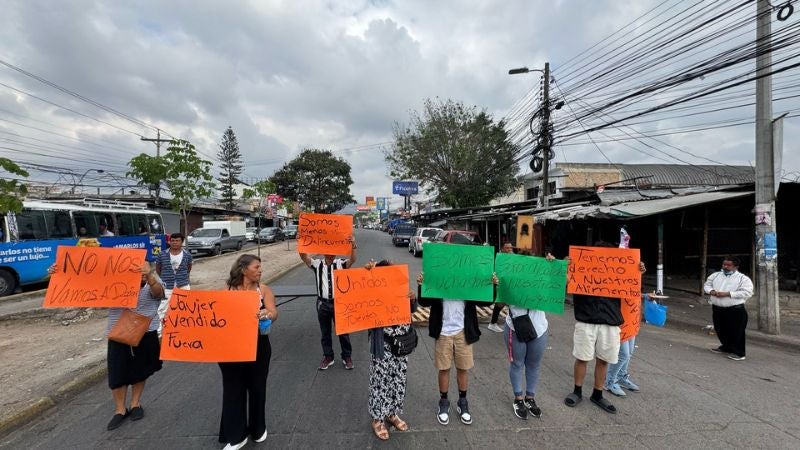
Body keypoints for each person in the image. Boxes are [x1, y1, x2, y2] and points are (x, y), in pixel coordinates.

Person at [48, 262, 166, 431]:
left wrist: (149, 277)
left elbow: (159, 293)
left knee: (141, 369)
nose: (138, 269)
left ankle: (135, 404)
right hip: (118, 332)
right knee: (117, 370)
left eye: (142, 266)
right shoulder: (114, 281)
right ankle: (119, 409)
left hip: (145, 332)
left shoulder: (152, 281)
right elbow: (85, 288)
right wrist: (59, 275)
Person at [564, 257, 646, 415]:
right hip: (586, 320)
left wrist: (638, 272)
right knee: (582, 358)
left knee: (604, 360)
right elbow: (566, 282)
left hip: (610, 322)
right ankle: (577, 391)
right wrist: (564, 267)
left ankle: (597, 394)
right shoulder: (581, 270)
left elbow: (632, 287)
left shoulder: (617, 273)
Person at [218, 254, 278, 450]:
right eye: (256, 267)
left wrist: (267, 314)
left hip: (259, 347)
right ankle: (236, 436)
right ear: (243, 270)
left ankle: (258, 428)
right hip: (231, 348)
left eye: (261, 267)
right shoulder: (226, 291)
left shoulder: (264, 289)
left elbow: (274, 312)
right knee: (233, 389)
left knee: (257, 387)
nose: (260, 270)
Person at [416, 271, 485, 426]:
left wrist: (492, 285)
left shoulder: (468, 279)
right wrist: (422, 285)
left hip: (463, 331)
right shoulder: (438, 276)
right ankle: (444, 401)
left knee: (463, 368)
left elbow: (485, 302)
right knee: (444, 368)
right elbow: (424, 302)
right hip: (443, 331)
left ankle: (462, 402)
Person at [496, 252, 555, 420]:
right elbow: (499, 304)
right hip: (516, 327)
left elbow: (561, 285)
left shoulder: (541, 276)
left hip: (539, 328)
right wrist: (502, 287)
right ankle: (518, 398)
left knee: (533, 364)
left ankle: (530, 398)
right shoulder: (509, 277)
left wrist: (553, 266)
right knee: (517, 364)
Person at [365, 259, 417, 440]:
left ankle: (392, 413)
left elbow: (412, 310)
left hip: (401, 345)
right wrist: (367, 276)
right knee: (380, 382)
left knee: (398, 380)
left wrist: (412, 298)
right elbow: (360, 300)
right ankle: (377, 418)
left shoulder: (400, 288)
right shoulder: (373, 291)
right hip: (383, 345)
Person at [299, 236, 357, 370]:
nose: (331, 255)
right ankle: (328, 356)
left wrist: (353, 245)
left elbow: (353, 259)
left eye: (333, 253)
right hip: (322, 304)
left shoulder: (341, 263)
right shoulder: (317, 264)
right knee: (325, 332)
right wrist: (301, 243)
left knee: (343, 331)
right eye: (328, 253)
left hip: (339, 303)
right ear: (324, 253)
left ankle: (346, 356)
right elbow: (304, 257)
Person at [704, 256, 754, 361]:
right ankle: (726, 347)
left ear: (735, 266)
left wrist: (728, 294)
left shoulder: (743, 279)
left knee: (737, 331)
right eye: (724, 264)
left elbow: (747, 292)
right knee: (720, 329)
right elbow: (707, 285)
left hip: (735, 309)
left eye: (728, 265)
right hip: (718, 307)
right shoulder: (716, 275)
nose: (725, 267)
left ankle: (739, 352)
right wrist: (712, 291)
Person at [155, 233, 193, 336]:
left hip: (183, 285)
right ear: (169, 241)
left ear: (182, 242)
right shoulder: (162, 254)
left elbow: (188, 268)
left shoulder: (187, 255)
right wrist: (166, 278)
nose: (175, 243)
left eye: (177, 241)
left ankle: (183, 330)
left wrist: (181, 277)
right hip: (167, 286)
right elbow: (158, 269)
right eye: (172, 240)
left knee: (185, 308)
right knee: (162, 309)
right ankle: (159, 333)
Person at [487, 241, 514, 333]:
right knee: (500, 304)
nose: (510, 250)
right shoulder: (498, 259)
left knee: (508, 304)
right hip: (501, 285)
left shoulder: (513, 257)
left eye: (511, 248)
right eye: (507, 248)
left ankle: (509, 322)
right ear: (502, 249)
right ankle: (492, 323)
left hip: (510, 285)